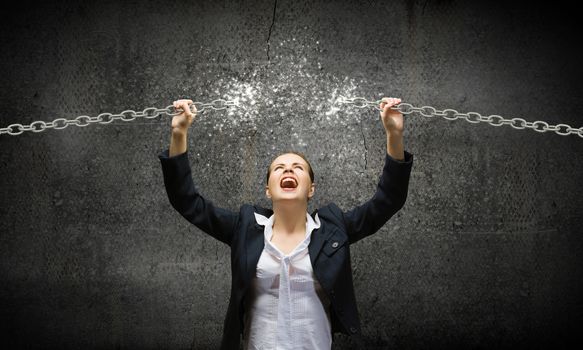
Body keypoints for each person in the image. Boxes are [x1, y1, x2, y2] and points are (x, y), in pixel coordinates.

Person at [158, 97, 413, 349]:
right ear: (268, 190)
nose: (288, 170)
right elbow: (187, 201)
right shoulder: (244, 228)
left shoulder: (333, 230)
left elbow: (388, 200)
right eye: (279, 168)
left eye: (297, 168)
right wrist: (179, 132)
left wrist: (394, 134)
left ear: (311, 189)